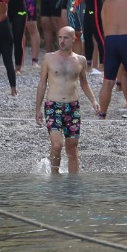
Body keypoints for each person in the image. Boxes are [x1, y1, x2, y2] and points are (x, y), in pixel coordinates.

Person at [34, 25, 97, 174]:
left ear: (73, 39)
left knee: (72, 147)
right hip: (53, 106)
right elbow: (42, 84)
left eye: (65, 38)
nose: (62, 41)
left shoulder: (80, 60)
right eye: (60, 37)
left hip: (72, 107)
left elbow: (84, 83)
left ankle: (73, 184)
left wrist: (94, 101)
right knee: (57, 145)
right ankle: (54, 176)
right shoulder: (49, 58)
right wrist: (37, 109)